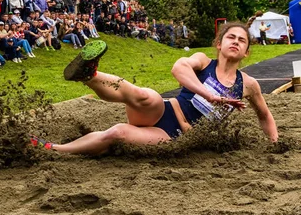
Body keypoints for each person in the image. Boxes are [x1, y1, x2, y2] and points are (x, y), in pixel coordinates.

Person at [31, 23, 279, 153]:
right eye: (231, 38)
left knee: (117, 133)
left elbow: (264, 115)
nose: (235, 42)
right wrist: (209, 95)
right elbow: (178, 69)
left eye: (241, 41)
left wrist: (274, 144)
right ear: (219, 43)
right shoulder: (203, 61)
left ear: (246, 52)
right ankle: (89, 75)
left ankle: (56, 149)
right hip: (164, 111)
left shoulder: (248, 84)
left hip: (175, 136)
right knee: (145, 96)